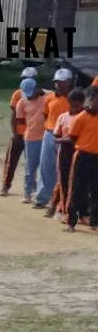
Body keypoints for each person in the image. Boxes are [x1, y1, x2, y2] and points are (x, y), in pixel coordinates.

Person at [36, 68, 74, 208]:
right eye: (56, 82)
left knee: (63, 169)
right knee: (45, 167)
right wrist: (49, 128)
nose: (58, 85)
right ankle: (42, 198)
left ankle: (60, 201)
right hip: (50, 134)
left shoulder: (74, 98)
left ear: (69, 82)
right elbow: (46, 114)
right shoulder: (50, 97)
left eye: (62, 82)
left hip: (66, 138)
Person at [62, 87, 98, 232]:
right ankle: (71, 221)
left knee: (96, 190)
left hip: (97, 157)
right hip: (83, 156)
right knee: (77, 189)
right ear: (90, 100)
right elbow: (73, 137)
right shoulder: (81, 117)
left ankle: (94, 222)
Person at [49, 88, 85, 220]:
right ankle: (64, 211)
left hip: (80, 152)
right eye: (73, 104)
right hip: (65, 152)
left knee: (78, 183)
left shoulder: (84, 117)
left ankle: (80, 211)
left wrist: (73, 139)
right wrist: (69, 139)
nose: (75, 108)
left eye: (78, 105)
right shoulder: (63, 117)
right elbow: (56, 136)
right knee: (64, 182)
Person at [1, 67, 37, 196]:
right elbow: (13, 116)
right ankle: (5, 185)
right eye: (24, 78)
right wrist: (14, 133)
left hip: (33, 135)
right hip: (19, 133)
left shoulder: (39, 96)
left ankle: (32, 186)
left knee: (31, 162)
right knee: (12, 161)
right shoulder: (17, 94)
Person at [15, 78, 47, 205]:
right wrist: (21, 136)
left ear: (37, 89)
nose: (29, 96)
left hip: (46, 137)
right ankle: (28, 192)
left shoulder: (48, 98)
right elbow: (20, 121)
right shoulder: (22, 102)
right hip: (31, 138)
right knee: (30, 167)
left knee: (45, 168)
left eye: (31, 93)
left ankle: (43, 193)